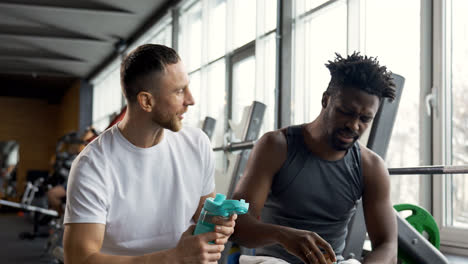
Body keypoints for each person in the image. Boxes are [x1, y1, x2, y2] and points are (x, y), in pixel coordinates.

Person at [63, 44, 236, 264]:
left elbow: (204, 213)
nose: (191, 100)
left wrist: (218, 222)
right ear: (146, 101)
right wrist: (172, 258)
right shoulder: (93, 164)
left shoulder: (197, 143)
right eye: (179, 91)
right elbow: (79, 259)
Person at [231, 52, 398, 264]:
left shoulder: (371, 166)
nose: (354, 125)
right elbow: (237, 224)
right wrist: (283, 235)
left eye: (365, 119)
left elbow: (388, 245)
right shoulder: (275, 146)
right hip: (274, 262)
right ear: (326, 99)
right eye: (346, 112)